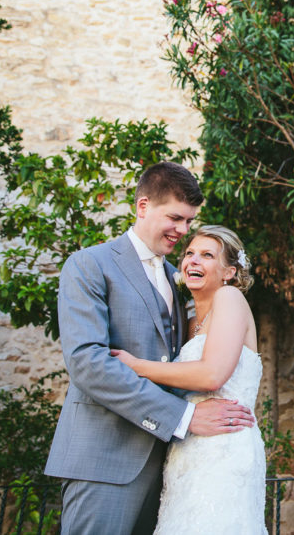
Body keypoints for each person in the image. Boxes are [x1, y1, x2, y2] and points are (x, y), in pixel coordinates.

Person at [45, 162, 255, 535]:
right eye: (175, 218)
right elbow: (88, 364)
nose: (182, 231)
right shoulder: (89, 264)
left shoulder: (180, 282)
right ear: (143, 207)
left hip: (170, 465)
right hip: (104, 459)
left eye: (189, 221)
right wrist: (183, 417)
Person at [111, 225, 267, 534]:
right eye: (189, 254)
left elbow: (211, 374)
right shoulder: (189, 317)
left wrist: (136, 366)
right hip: (187, 447)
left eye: (207, 255)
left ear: (229, 272)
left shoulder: (230, 298)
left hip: (224, 446)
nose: (193, 261)